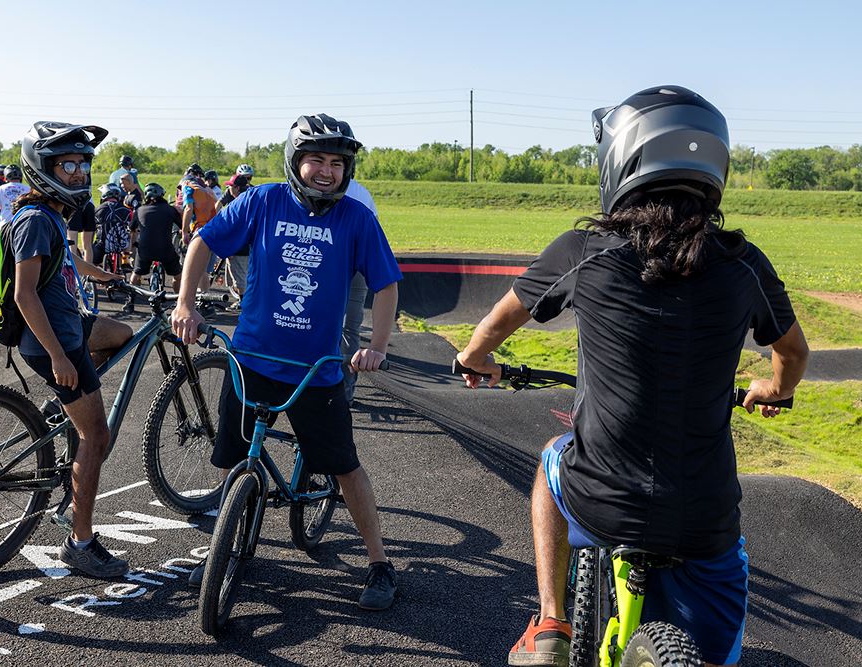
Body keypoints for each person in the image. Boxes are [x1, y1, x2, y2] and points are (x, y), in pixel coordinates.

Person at [455, 86, 810, 667]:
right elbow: (792, 355)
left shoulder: (583, 250)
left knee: (552, 456)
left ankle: (550, 623)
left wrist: (474, 359)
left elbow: (497, 321)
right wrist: (774, 390)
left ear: (620, 160)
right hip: (706, 519)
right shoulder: (746, 263)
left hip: (601, 497)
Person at [171, 114, 403, 611]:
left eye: (337, 162)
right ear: (295, 161)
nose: (326, 171)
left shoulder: (356, 219)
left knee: (344, 467)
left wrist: (377, 346)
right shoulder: (263, 201)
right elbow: (203, 241)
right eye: (316, 159)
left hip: (316, 370)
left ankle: (380, 563)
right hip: (251, 359)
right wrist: (186, 304)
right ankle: (224, 547)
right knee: (235, 461)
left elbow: (386, 284)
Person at [11, 121, 134, 579]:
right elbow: (25, 296)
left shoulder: (51, 215)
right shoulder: (35, 220)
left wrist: (109, 278)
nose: (80, 173)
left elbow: (69, 260)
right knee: (97, 437)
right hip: (54, 342)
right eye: (68, 165)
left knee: (121, 334)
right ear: (43, 168)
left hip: (72, 325)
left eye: (84, 164)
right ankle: (80, 543)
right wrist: (61, 359)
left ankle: (70, 403)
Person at [341, 179, 378, 403]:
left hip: (329, 264)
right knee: (350, 330)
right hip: (359, 266)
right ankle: (346, 392)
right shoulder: (362, 192)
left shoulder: (319, 187)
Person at [123, 182, 184, 313]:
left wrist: (133, 246)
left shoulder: (139, 210)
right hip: (165, 249)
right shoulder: (169, 209)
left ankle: (130, 301)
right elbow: (181, 226)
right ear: (162, 195)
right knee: (178, 276)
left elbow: (132, 230)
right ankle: (180, 302)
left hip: (145, 249)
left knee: (136, 274)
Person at [176, 163, 218, 292]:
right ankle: (205, 300)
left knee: (195, 267)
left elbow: (188, 208)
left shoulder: (188, 186)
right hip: (213, 228)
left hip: (200, 229)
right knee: (204, 269)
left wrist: (184, 232)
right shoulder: (208, 190)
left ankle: (193, 299)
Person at [216, 171, 254, 308]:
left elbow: (234, 228)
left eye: (231, 186)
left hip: (238, 246)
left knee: (239, 277)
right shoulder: (250, 199)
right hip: (250, 244)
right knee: (246, 274)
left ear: (237, 188)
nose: (228, 188)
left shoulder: (238, 204)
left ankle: (244, 302)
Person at [93, 183, 131, 271]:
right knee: (127, 237)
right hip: (122, 245)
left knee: (91, 259)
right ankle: (126, 261)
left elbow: (91, 229)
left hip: (102, 246)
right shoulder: (126, 210)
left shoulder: (97, 209)